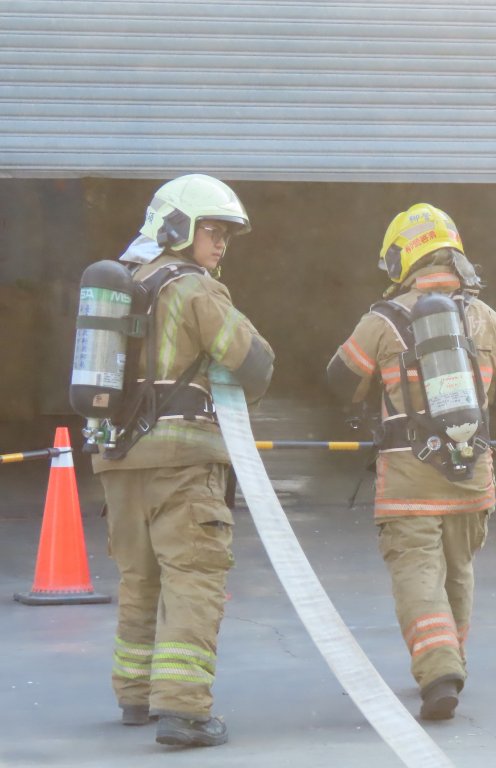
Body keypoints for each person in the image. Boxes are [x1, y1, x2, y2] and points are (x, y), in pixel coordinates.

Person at [91, 174, 274, 747]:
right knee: (193, 576)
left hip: (119, 458)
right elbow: (252, 363)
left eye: (225, 234)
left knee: (139, 577)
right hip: (182, 461)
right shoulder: (194, 288)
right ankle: (185, 710)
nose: (220, 245)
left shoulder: (128, 284)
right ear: (177, 229)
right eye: (211, 230)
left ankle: (134, 692)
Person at [326, 203, 496, 720]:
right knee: (458, 572)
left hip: (408, 477)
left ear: (402, 259)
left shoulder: (383, 321)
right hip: (472, 475)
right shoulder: (486, 317)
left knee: (417, 573)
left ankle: (438, 671)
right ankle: (451, 662)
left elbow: (339, 380)